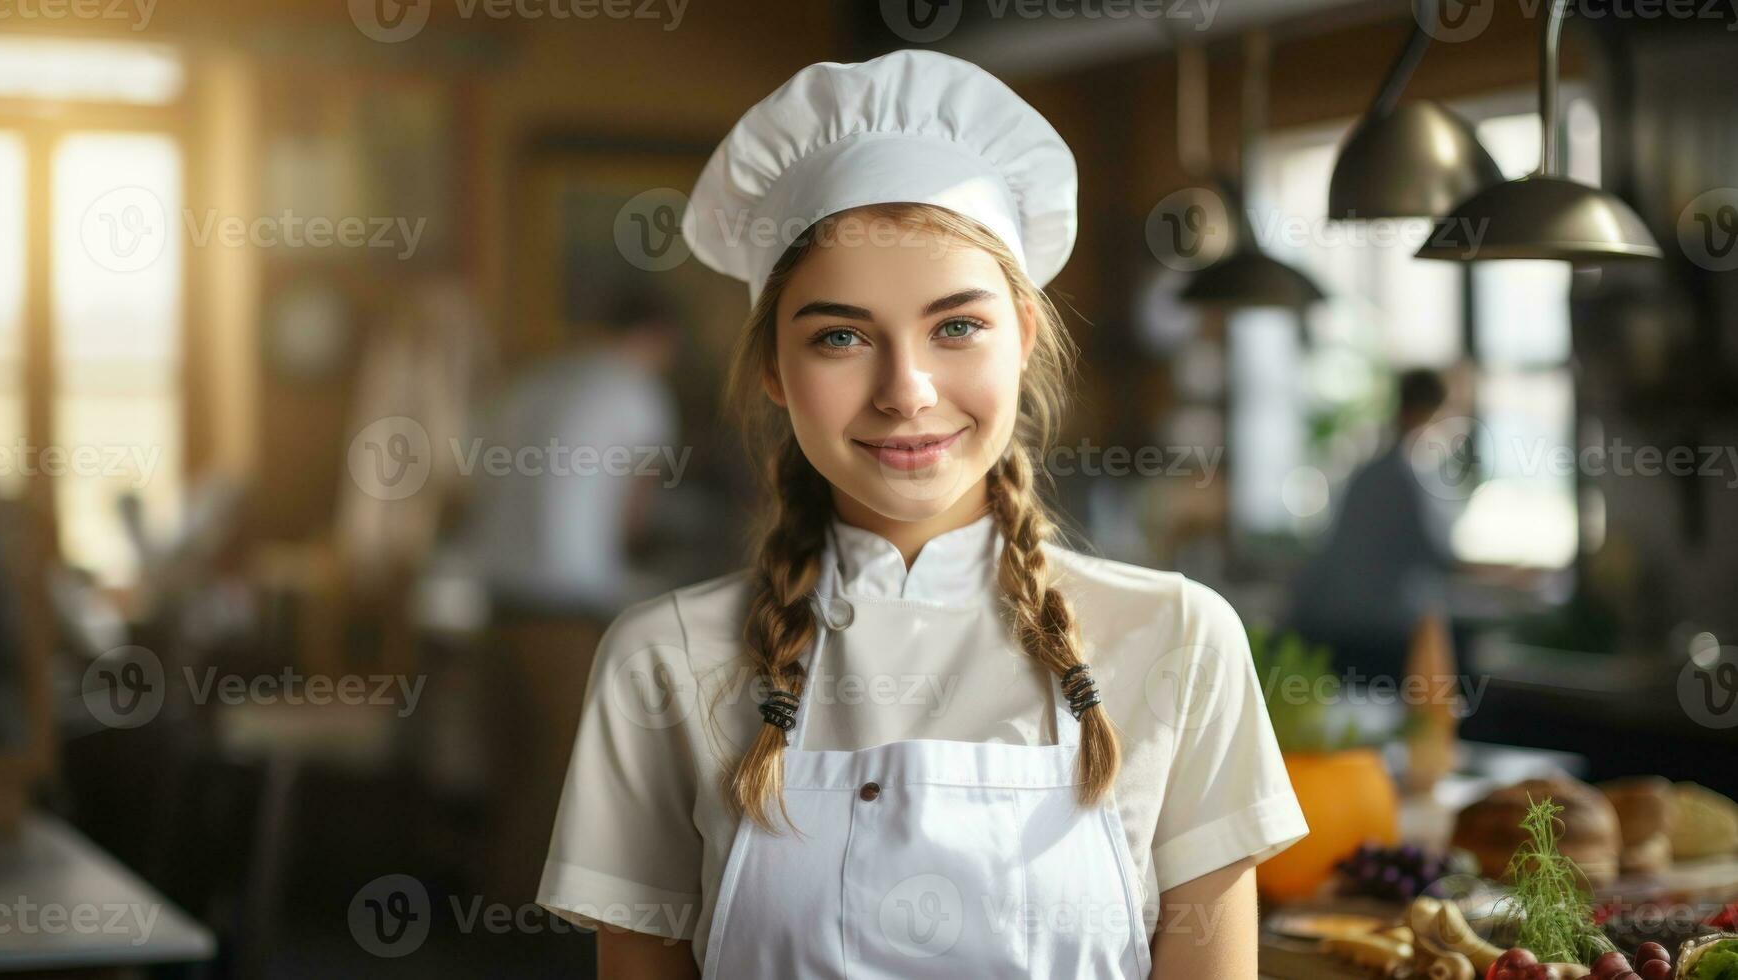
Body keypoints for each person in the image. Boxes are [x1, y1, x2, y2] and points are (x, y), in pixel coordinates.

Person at [536, 50, 1307, 979]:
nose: (906, 392)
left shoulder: (1181, 640)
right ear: (775, 371)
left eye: (956, 326)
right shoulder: (659, 663)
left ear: (1022, 337)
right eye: (840, 336)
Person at [456, 287, 682, 616]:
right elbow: (634, 517)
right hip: (572, 589)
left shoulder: (536, 379)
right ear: (657, 335)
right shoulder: (640, 392)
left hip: (495, 580)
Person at [1285, 368, 1459, 685]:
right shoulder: (1411, 476)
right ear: (1431, 412)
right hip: (1384, 630)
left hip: (1343, 624)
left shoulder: (1368, 472)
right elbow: (1440, 553)